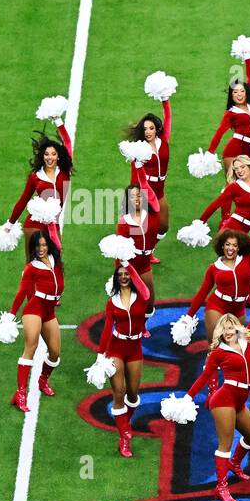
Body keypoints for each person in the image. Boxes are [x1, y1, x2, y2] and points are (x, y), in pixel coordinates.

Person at [173, 290, 250, 501]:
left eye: (230, 327)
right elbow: (204, 377)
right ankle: (221, 487)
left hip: (240, 400)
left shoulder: (246, 340)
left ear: (237, 327)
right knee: (224, 444)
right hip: (224, 399)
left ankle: (235, 464)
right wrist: (186, 399)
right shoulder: (218, 352)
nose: (228, 331)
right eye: (224, 328)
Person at [184, 210, 250, 341]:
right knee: (214, 348)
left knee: (233, 348)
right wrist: (188, 317)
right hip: (217, 306)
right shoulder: (214, 268)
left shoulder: (247, 258)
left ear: (239, 247)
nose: (230, 248)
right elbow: (203, 292)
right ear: (222, 247)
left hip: (239, 310)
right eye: (227, 244)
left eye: (234, 245)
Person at [97, 261, 152, 457]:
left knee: (133, 394)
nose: (123, 276)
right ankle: (124, 437)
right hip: (116, 348)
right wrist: (100, 356)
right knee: (118, 393)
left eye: (126, 274)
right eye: (120, 274)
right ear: (116, 278)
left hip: (135, 348)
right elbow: (106, 330)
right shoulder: (112, 302)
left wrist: (128, 264)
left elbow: (145, 290)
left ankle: (125, 424)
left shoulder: (141, 297)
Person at [7, 230, 65, 412]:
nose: (41, 249)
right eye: (37, 245)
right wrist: (10, 315)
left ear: (49, 245)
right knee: (30, 348)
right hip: (34, 309)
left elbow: (55, 234)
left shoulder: (56, 261)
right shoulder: (31, 267)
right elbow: (22, 291)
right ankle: (20, 393)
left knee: (55, 353)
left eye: (44, 244)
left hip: (49, 311)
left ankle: (42, 380)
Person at [4, 124, 73, 249]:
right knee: (35, 264)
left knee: (56, 263)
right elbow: (23, 200)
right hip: (34, 224)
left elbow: (67, 141)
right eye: (46, 154)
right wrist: (9, 225)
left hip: (53, 224)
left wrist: (58, 121)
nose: (49, 157)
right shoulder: (35, 176)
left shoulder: (64, 171)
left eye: (53, 154)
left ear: (58, 156)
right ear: (42, 156)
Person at [196, 140, 250, 232]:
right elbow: (215, 205)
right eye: (236, 169)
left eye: (242, 167)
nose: (239, 171)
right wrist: (199, 224)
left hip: (247, 228)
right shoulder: (234, 187)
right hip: (233, 227)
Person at [124, 101, 172, 257]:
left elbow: (168, 117)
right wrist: (135, 195)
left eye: (151, 128)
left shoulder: (163, 140)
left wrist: (165, 101)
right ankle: (136, 259)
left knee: (163, 227)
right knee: (139, 231)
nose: (148, 132)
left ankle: (150, 250)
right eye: (144, 129)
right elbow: (134, 174)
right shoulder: (138, 148)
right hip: (144, 192)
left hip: (160, 192)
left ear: (157, 129)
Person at [113, 182, 161, 330]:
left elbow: (150, 192)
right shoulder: (124, 222)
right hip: (130, 266)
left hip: (145, 265)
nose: (136, 199)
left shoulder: (152, 215)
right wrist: (119, 272)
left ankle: (143, 325)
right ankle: (124, 326)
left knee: (149, 301)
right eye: (132, 196)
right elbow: (120, 249)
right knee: (129, 300)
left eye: (139, 195)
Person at [207, 53, 250, 173]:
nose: (239, 94)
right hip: (234, 150)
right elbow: (219, 132)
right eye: (235, 92)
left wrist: (247, 58)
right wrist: (209, 152)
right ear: (231, 95)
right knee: (232, 186)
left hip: (249, 150)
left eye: (242, 91)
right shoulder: (231, 113)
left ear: (246, 93)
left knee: (249, 186)